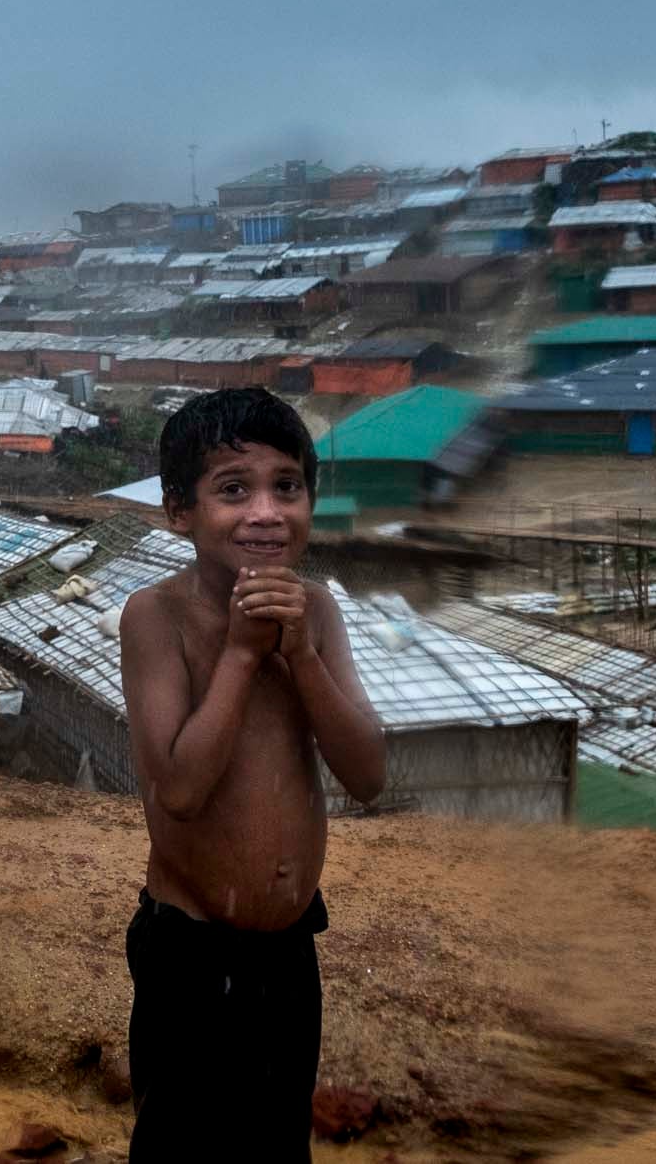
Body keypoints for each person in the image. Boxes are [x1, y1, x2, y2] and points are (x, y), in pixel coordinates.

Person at [117, 387, 387, 1160]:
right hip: (190, 954)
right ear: (180, 511)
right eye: (233, 488)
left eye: (287, 486)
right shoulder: (157, 617)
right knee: (182, 1144)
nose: (266, 511)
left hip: (288, 952)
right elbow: (181, 789)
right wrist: (241, 652)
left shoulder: (320, 612)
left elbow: (367, 773)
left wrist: (299, 654)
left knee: (276, 1141)